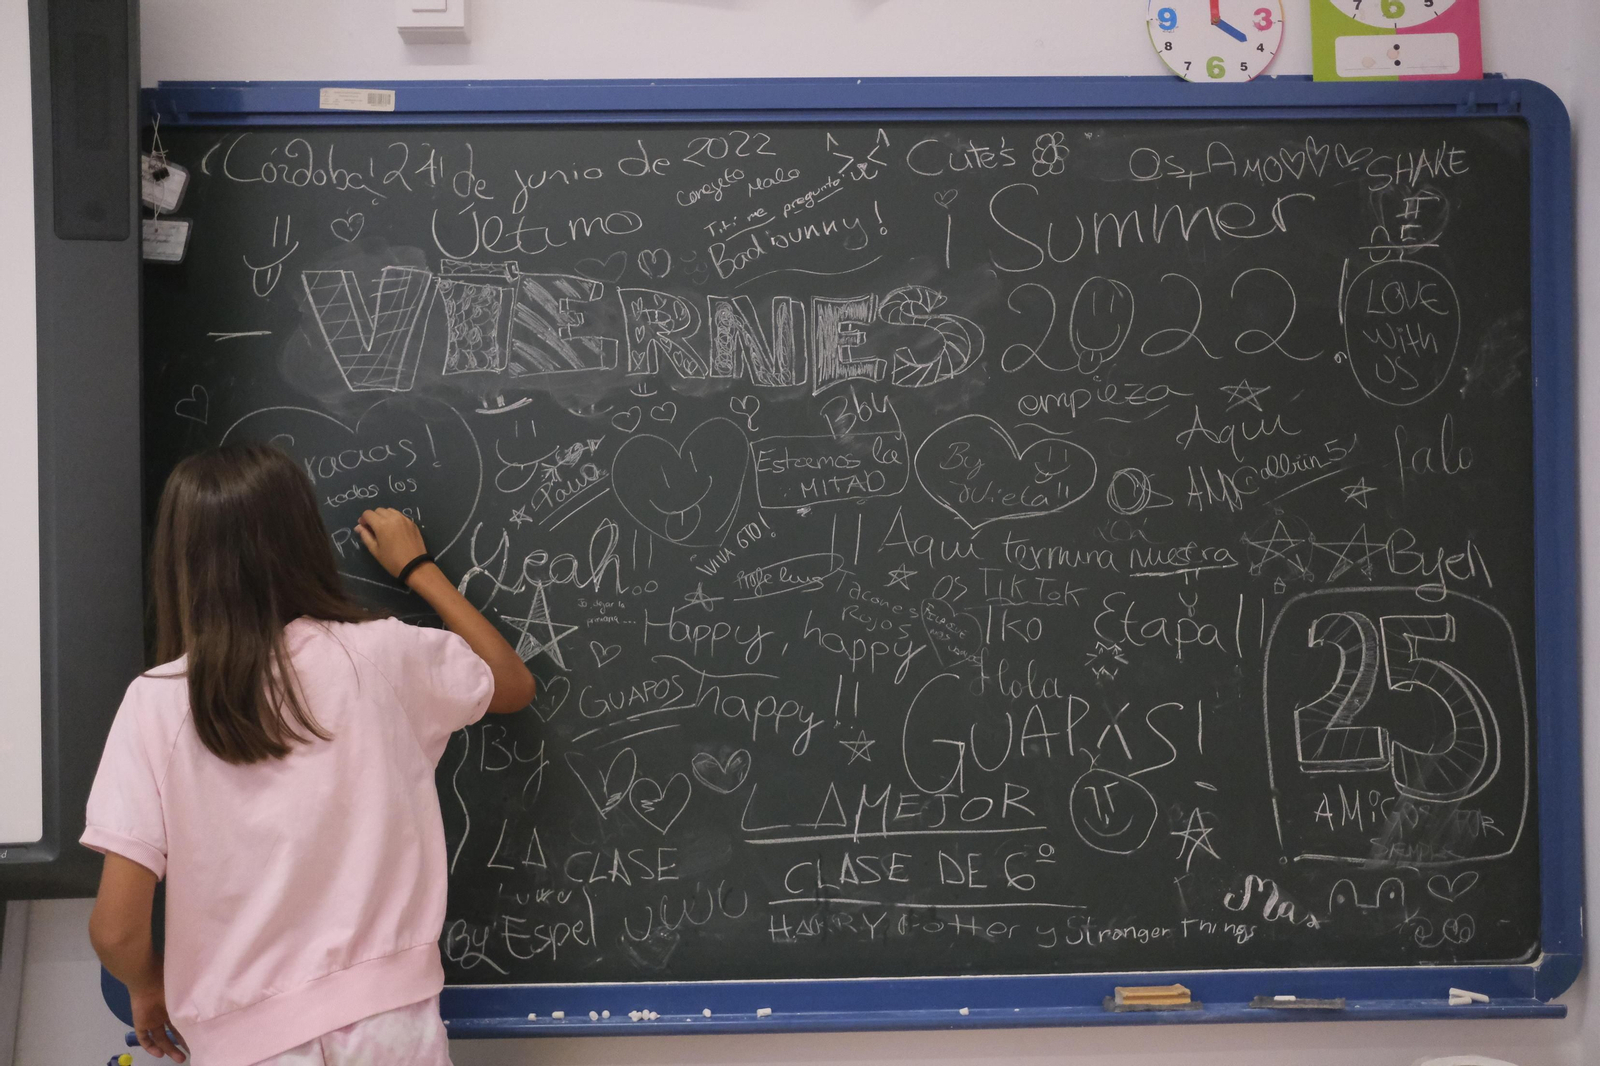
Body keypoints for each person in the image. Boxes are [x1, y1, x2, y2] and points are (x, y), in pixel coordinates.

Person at [81, 443, 536, 1066]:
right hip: (388, 1023)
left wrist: (147, 988)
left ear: (179, 561)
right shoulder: (382, 657)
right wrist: (419, 568)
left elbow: (117, 928)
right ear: (303, 539)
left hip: (245, 1041)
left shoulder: (156, 703)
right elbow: (510, 684)